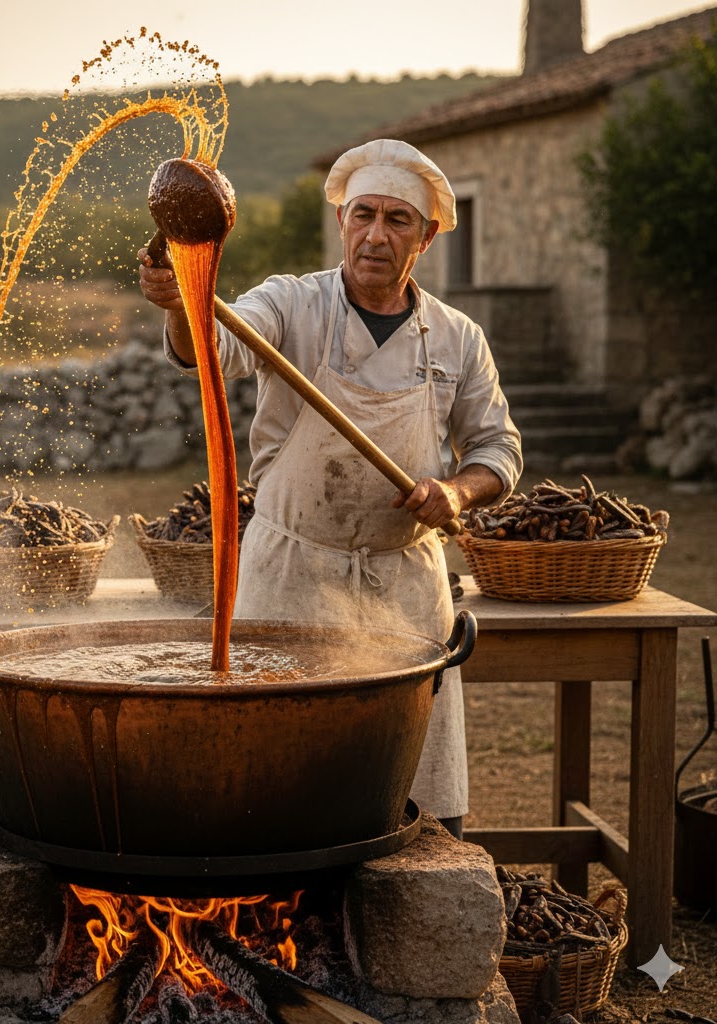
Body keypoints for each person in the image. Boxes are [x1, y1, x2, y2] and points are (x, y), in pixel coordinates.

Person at [138, 138, 523, 839]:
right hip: (289, 572)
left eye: (398, 220)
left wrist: (458, 494)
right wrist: (182, 302)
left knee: (416, 797)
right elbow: (212, 346)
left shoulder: (459, 338)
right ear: (343, 221)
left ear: (427, 236)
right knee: (270, 783)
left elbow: (499, 448)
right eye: (363, 215)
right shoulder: (291, 304)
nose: (376, 235)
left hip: (402, 587)